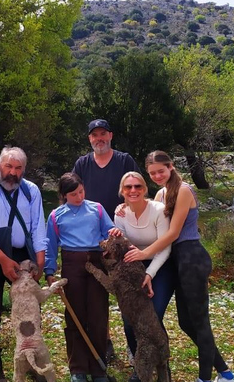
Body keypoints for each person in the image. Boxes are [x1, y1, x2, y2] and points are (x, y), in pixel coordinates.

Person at [124, 151, 234, 382]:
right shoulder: (161, 194)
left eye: (161, 171)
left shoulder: (183, 190)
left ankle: (205, 378)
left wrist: (145, 253)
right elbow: (145, 212)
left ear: (171, 167)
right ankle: (225, 373)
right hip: (175, 261)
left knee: (200, 321)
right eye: (152, 172)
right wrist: (123, 208)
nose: (157, 175)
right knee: (186, 323)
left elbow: (174, 232)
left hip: (191, 258)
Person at [0, 146, 48, 382]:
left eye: (17, 168)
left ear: (23, 169)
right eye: (8, 166)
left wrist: (40, 261)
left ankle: (31, 360)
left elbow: (38, 227)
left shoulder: (30, 190)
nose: (12, 173)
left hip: (23, 256)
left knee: (30, 310)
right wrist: (4, 261)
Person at [72, 118, 140, 362]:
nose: (99, 138)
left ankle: (134, 347)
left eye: (103, 134)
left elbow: (138, 190)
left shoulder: (124, 160)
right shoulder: (82, 164)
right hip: (93, 239)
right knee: (99, 294)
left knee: (127, 293)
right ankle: (106, 341)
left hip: (122, 239)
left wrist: (126, 204)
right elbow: (72, 195)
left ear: (110, 135)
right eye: (94, 135)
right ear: (89, 139)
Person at [44, 172, 119, 382]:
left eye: (81, 191)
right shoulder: (56, 216)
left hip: (96, 262)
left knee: (98, 314)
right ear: (64, 195)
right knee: (74, 315)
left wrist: (114, 232)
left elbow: (109, 230)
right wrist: (49, 273)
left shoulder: (96, 208)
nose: (79, 196)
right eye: (74, 194)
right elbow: (50, 246)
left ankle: (98, 368)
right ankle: (77, 368)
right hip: (71, 264)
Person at [113, 171, 175, 382]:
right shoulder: (120, 213)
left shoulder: (158, 210)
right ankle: (141, 365)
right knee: (130, 319)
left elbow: (165, 247)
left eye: (138, 186)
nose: (133, 190)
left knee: (153, 315)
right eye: (128, 187)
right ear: (122, 191)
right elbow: (122, 247)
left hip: (161, 264)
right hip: (133, 266)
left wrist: (149, 273)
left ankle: (163, 365)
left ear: (145, 189)